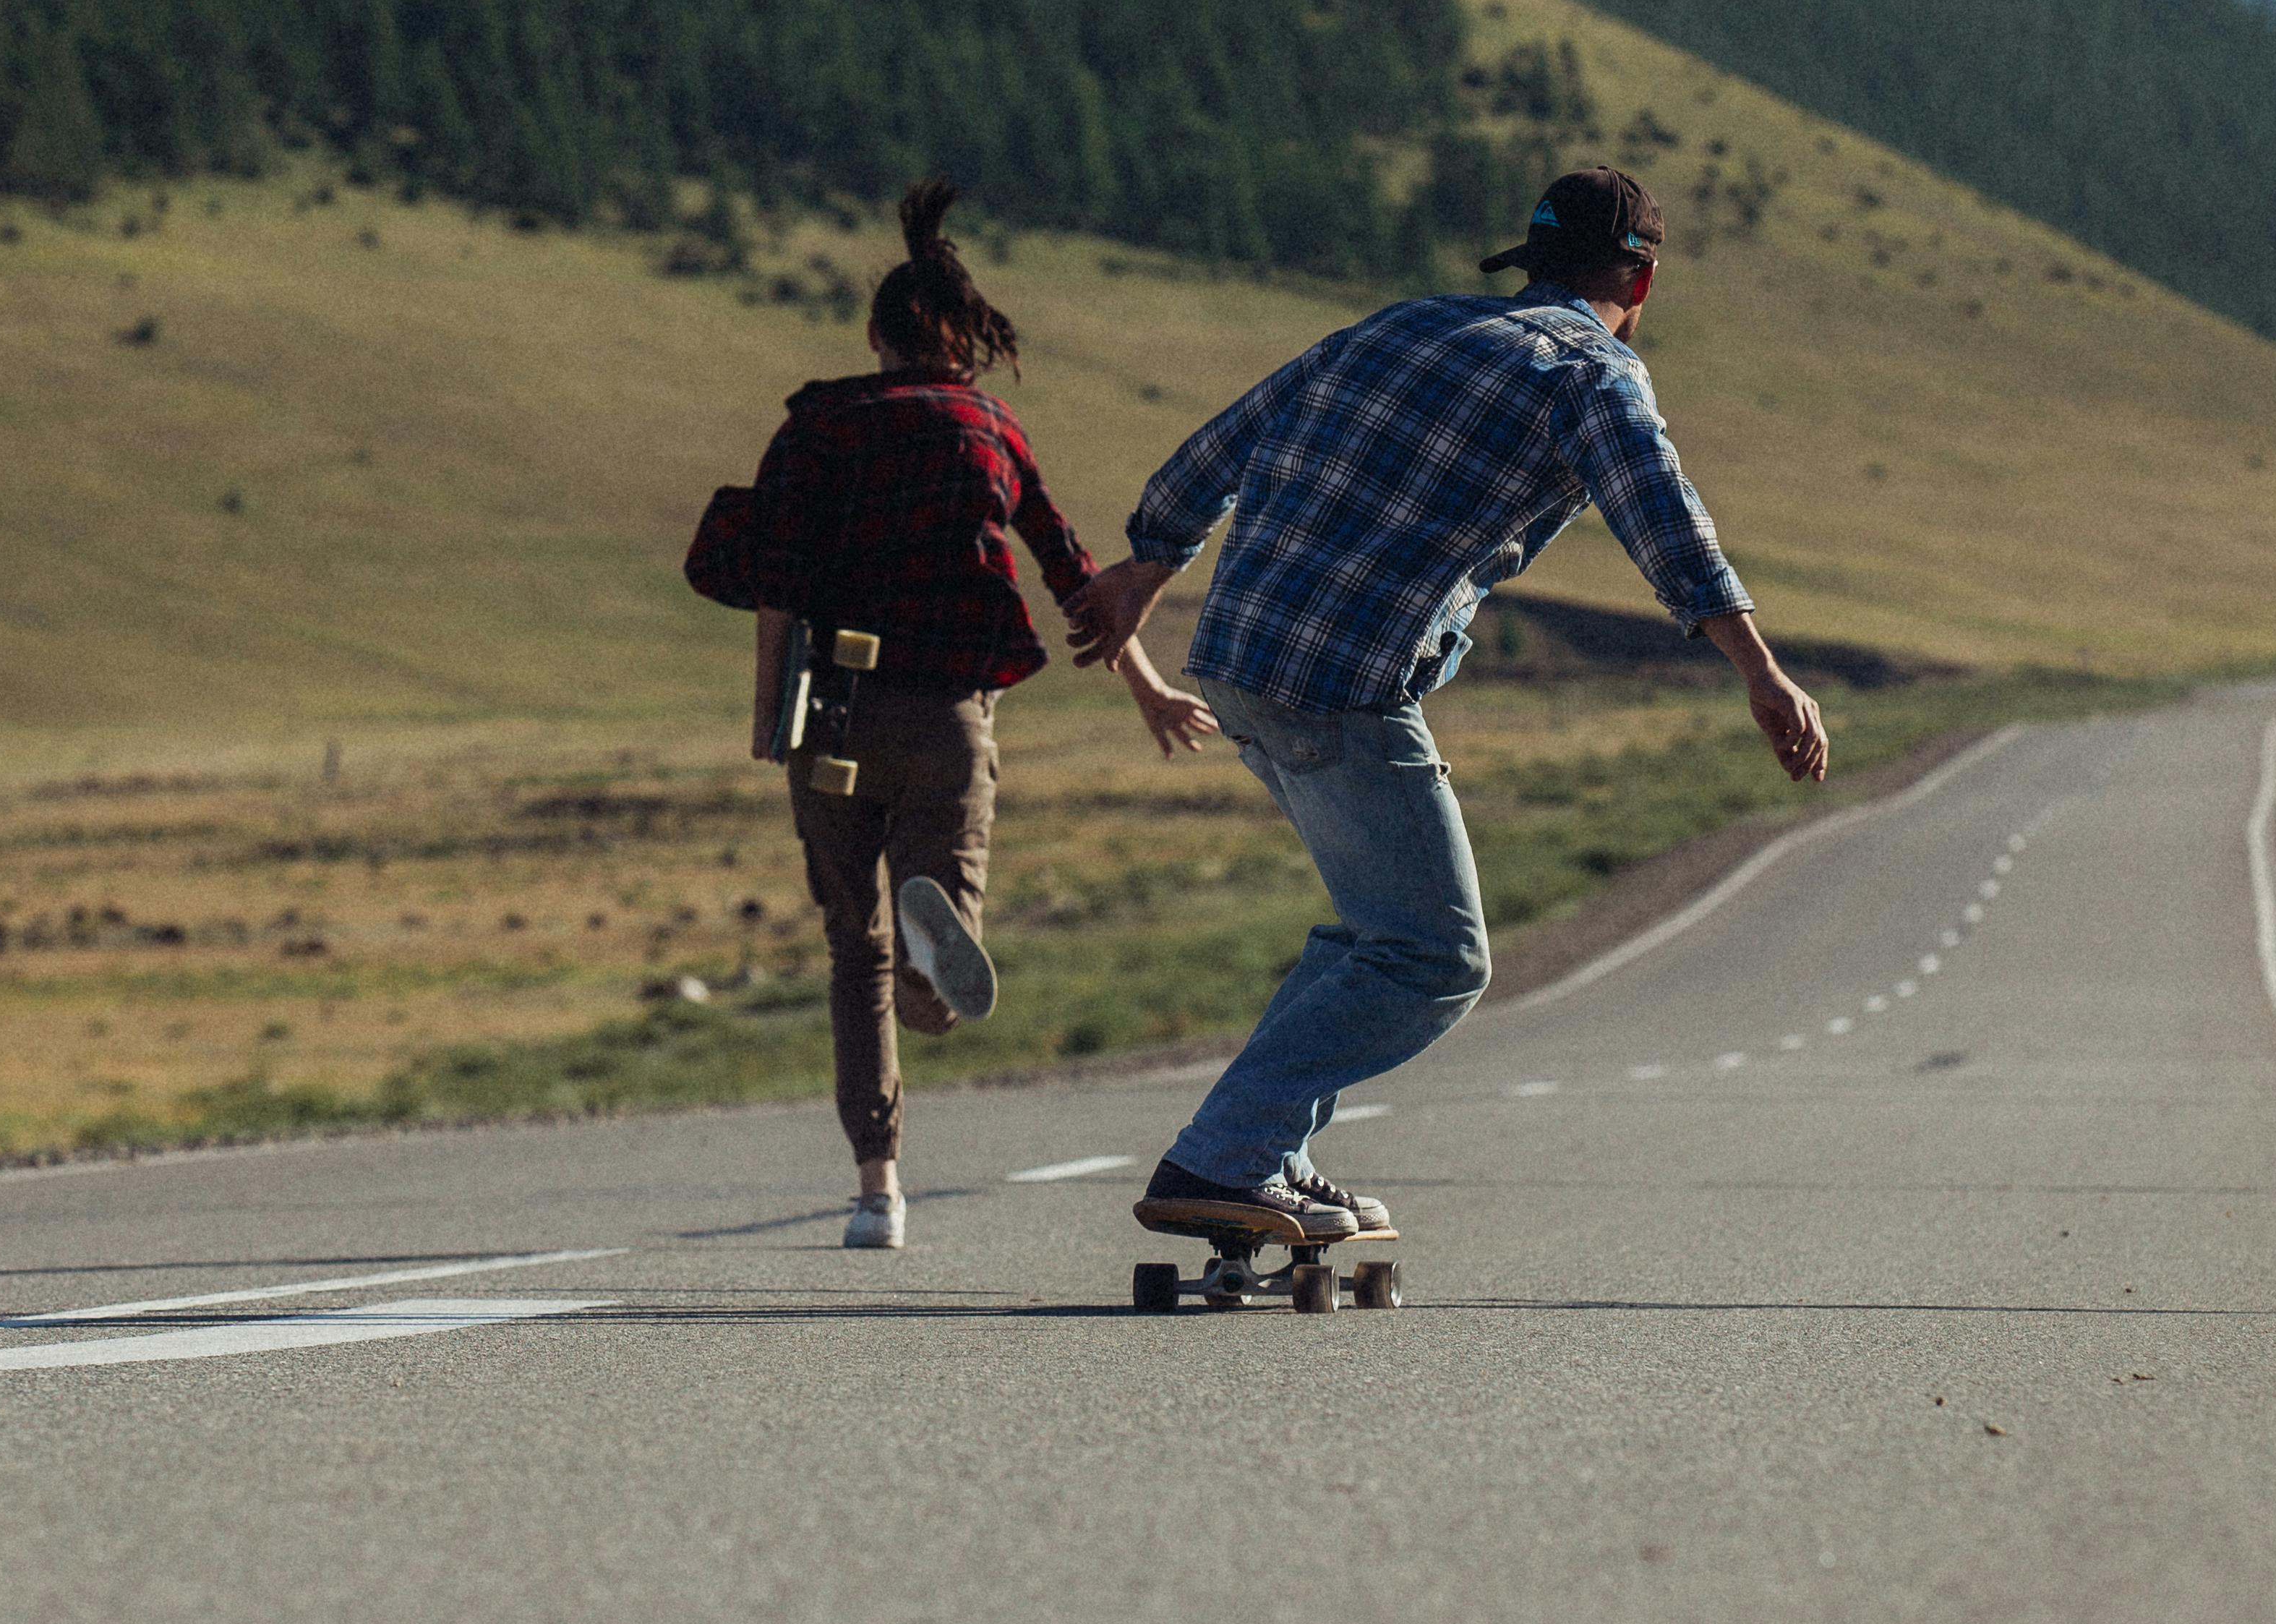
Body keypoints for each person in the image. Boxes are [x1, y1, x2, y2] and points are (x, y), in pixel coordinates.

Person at [1066, 163, 1828, 1243]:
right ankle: (1226, 1159)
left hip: (1237, 654)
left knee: (1375, 932)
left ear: (1528, 263)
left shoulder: (1399, 325)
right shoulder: (1592, 371)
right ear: (1640, 281)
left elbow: (1227, 440)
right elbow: (1661, 514)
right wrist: (1760, 668)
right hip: (1339, 678)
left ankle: (1265, 1153)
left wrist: (1143, 570)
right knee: (1435, 955)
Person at [690, 181, 1217, 1249]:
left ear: (876, 337)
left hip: (833, 715)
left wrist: (768, 720)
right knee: (939, 926)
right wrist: (1151, 690)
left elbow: (775, 582)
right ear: (966, 341)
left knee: (854, 951)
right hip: (947, 723)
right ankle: (943, 970)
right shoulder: (990, 426)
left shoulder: (818, 426)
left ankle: (876, 1189)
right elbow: (1073, 572)